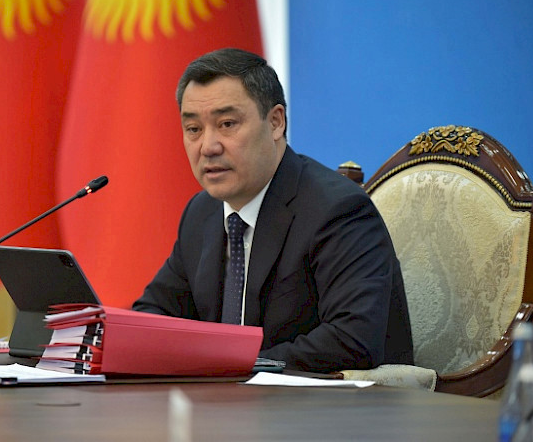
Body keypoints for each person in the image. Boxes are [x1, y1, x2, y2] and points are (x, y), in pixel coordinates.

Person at [133, 48, 413, 372]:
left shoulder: (336, 210)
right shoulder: (202, 213)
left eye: (227, 124)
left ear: (275, 122)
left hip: (327, 401)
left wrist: (230, 365)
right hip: (227, 399)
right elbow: (154, 316)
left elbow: (352, 340)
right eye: (194, 129)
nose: (208, 146)